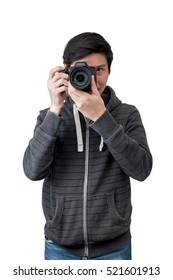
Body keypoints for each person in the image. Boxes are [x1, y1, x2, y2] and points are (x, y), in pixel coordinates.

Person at [23, 32, 152, 260]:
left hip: (114, 248)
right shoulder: (49, 117)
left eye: (99, 70)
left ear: (110, 71)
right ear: (66, 71)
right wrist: (55, 109)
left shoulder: (127, 114)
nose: (91, 78)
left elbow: (141, 170)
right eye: (83, 70)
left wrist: (102, 118)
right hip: (59, 247)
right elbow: (33, 172)